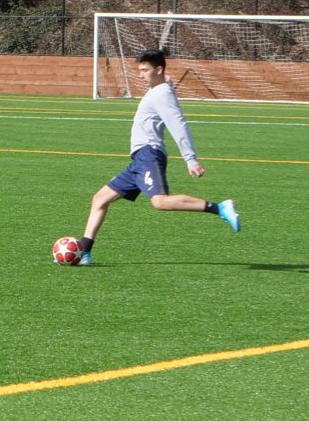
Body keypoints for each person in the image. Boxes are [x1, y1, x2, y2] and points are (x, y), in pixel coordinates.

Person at [75, 49, 234, 263]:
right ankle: (85, 249)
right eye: (139, 70)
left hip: (149, 155)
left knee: (160, 202)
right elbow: (164, 85)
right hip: (139, 159)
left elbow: (178, 125)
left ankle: (220, 208)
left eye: (145, 70)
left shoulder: (162, 94)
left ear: (158, 69)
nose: (141, 75)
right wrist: (165, 81)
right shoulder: (160, 89)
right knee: (100, 198)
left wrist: (191, 158)